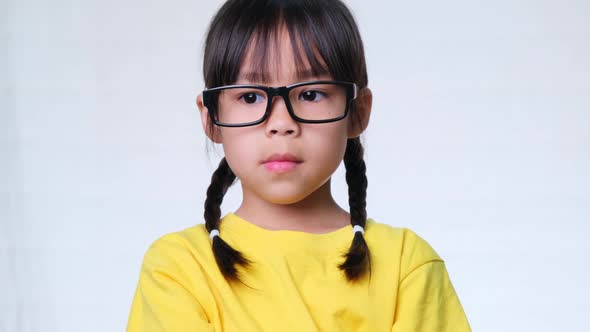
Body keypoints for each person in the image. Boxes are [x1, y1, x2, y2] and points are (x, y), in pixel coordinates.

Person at [126, 0, 471, 331]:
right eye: (250, 97)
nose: (281, 123)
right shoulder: (179, 268)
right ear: (212, 117)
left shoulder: (405, 265)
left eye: (310, 94)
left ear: (358, 112)